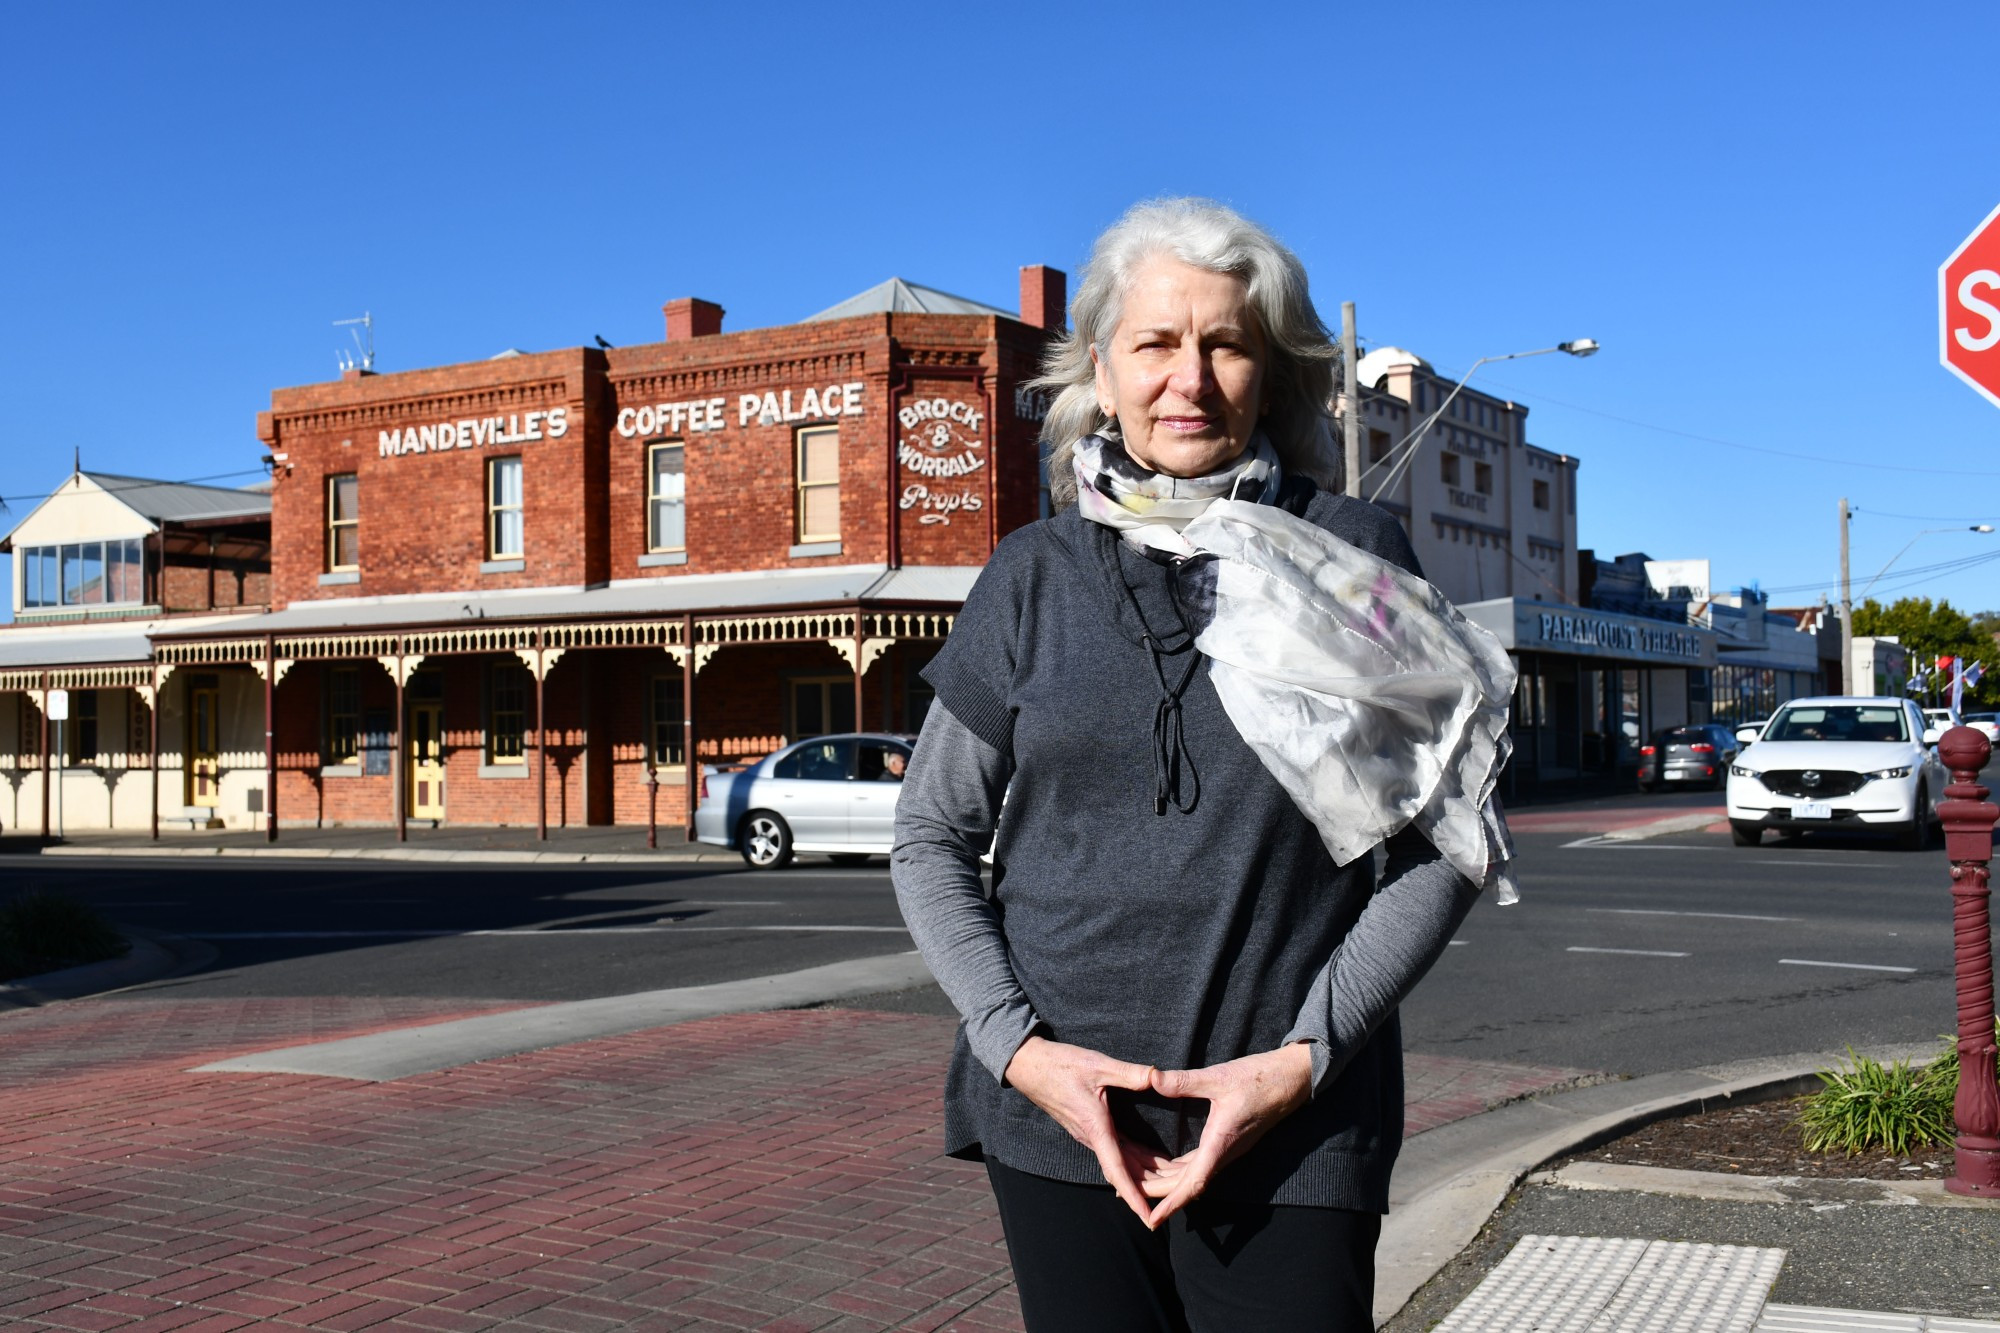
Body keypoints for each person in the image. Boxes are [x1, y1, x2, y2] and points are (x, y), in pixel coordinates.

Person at [891, 198, 1516, 1332]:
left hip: (1292, 1127)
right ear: (1101, 365)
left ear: (1268, 369)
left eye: (1224, 343)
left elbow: (1446, 840)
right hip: (1060, 1121)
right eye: (1154, 342)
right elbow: (929, 835)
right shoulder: (1028, 576)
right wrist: (1020, 1054)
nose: (1189, 378)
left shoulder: (1349, 556)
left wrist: (1302, 1059)